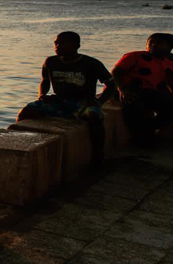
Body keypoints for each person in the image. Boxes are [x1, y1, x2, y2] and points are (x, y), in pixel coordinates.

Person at [17, 31, 115, 166]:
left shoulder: (91, 63)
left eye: (62, 43)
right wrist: (42, 95)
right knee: (26, 111)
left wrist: (99, 102)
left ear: (76, 46)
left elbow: (111, 85)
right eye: (56, 43)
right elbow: (45, 81)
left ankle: (98, 156)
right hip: (59, 102)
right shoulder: (51, 62)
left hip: (82, 103)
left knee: (94, 117)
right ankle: (22, 144)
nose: (57, 46)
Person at [112, 34, 173, 146]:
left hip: (151, 93)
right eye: (151, 42)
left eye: (159, 43)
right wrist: (123, 90)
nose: (153, 45)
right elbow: (116, 72)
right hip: (130, 91)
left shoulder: (170, 65)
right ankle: (141, 136)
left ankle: (148, 129)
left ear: (169, 47)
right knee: (135, 105)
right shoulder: (134, 56)